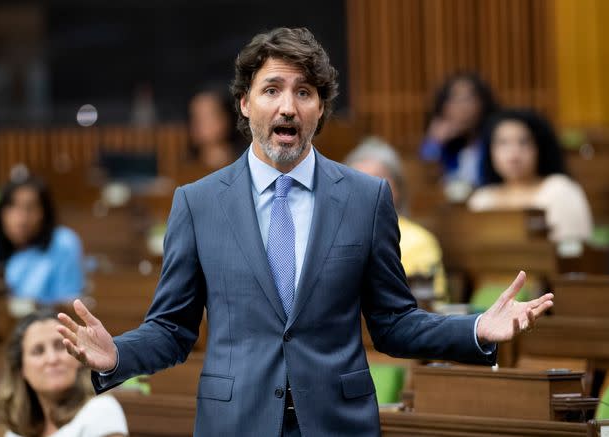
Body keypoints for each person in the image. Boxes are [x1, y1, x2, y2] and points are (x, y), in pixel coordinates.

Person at [58, 28, 553, 437]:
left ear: (320, 108)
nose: (288, 107)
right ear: (244, 104)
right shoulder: (198, 202)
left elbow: (394, 322)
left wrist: (474, 329)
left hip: (339, 422)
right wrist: (118, 355)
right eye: (271, 90)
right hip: (235, 422)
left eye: (304, 92)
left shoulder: (367, 197)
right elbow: (173, 328)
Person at [0, 309, 128, 437]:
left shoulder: (101, 409)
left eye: (60, 346)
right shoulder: (17, 431)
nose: (52, 359)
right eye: (38, 351)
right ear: (21, 368)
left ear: (77, 356)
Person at [468, 109, 593, 243]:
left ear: (539, 148)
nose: (513, 155)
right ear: (490, 151)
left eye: (523, 142)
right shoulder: (482, 200)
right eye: (503, 143)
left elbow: (575, 248)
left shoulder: (560, 190)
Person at [345, 136, 448, 301]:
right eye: (358, 180)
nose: (367, 190)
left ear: (398, 187)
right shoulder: (332, 234)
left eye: (377, 179)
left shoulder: (419, 240)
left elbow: (428, 306)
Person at [0, 176, 85, 304]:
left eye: (30, 208)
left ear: (44, 212)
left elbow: (69, 303)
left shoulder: (62, 243)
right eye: (12, 207)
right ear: (1, 213)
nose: (21, 219)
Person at [420, 72, 499, 187]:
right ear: (443, 106)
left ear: (482, 103)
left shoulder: (495, 136)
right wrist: (434, 141)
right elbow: (425, 177)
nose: (462, 107)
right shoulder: (442, 142)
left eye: (468, 99)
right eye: (454, 99)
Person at [187, 84, 246, 170]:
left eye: (207, 116)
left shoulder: (247, 165)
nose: (198, 123)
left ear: (226, 120)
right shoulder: (182, 168)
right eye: (194, 116)